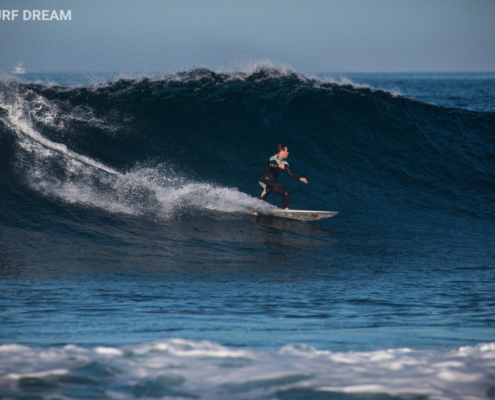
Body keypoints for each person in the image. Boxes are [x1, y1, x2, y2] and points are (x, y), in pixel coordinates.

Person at [258, 144, 308, 209]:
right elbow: (271, 164)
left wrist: (300, 179)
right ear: (282, 152)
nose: (288, 153)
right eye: (286, 151)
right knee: (268, 188)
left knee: (286, 191)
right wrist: (278, 166)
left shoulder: (284, 163)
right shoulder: (272, 158)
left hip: (272, 183)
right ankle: (257, 206)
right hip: (263, 181)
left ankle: (286, 210)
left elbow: (291, 174)